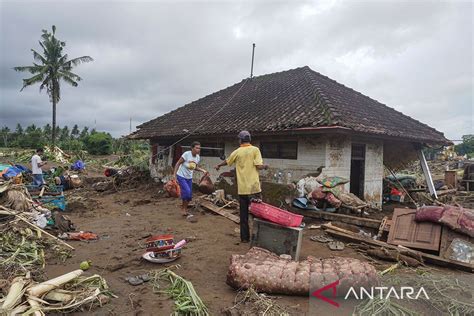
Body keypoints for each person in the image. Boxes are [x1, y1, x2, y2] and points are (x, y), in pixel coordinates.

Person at [215, 131, 268, 242]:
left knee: (243, 216)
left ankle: (244, 238)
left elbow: (227, 161)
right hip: (254, 188)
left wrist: (219, 165)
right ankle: (258, 238)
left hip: (242, 189)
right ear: (249, 140)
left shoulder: (237, 151)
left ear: (240, 140)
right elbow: (258, 166)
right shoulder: (255, 150)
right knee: (258, 214)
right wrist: (265, 166)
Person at [173, 141, 209, 216]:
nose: (198, 149)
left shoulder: (198, 157)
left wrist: (203, 170)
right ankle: (183, 208)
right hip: (181, 175)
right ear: (192, 148)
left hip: (189, 177)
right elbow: (178, 163)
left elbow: (195, 167)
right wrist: (174, 175)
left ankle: (184, 208)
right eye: (197, 148)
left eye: (199, 148)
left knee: (189, 195)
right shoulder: (186, 154)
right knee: (187, 191)